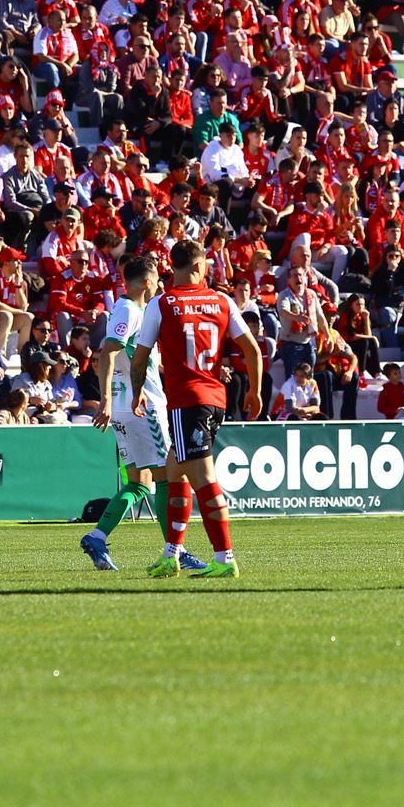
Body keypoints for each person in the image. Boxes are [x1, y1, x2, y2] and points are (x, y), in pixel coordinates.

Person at [129, 238, 263, 580]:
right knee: (175, 471)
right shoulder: (221, 300)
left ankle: (225, 557)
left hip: (186, 400)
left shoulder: (161, 303)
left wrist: (136, 393)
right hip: (214, 399)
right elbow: (252, 350)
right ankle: (171, 555)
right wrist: (254, 392)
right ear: (200, 267)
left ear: (171, 268)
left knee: (203, 478)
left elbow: (140, 357)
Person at [80, 254, 204, 572]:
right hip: (140, 407)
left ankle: (97, 536)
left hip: (127, 409)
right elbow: (108, 351)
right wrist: (105, 399)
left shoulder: (132, 311)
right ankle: (175, 551)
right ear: (147, 282)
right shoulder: (129, 310)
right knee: (167, 478)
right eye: (156, 279)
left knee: (139, 483)